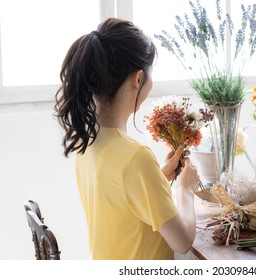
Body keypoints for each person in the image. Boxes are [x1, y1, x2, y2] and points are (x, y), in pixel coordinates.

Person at [54, 18, 200, 260]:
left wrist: (158, 177)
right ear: (138, 78)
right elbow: (182, 241)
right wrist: (185, 189)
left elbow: (119, 202)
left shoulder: (86, 142)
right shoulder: (136, 158)